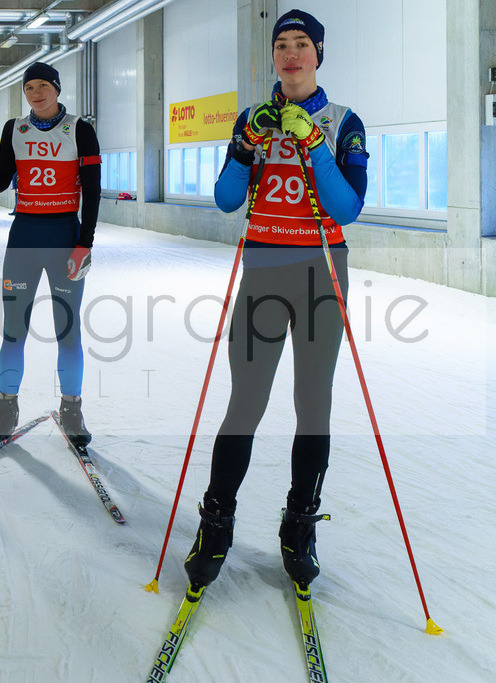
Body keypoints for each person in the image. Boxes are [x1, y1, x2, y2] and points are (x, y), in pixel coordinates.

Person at [183, 10, 368, 590]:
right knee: (246, 403)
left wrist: (312, 143)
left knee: (313, 406)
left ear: (319, 54)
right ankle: (216, 523)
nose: (291, 54)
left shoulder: (343, 122)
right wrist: (245, 146)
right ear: (273, 56)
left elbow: (347, 209)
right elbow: (224, 200)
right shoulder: (251, 117)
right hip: (263, 270)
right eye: (281, 45)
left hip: (320, 273)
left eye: (302, 44)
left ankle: (299, 525)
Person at [0, 62, 101, 448]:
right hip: (23, 239)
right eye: (29, 86)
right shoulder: (15, 128)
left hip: (65, 237)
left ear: (57, 89)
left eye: (43, 86)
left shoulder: (80, 130)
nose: (36, 93)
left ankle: (71, 408)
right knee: (13, 327)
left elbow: (95, 191)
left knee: (67, 328)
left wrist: (85, 242)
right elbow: (0, 181)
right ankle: (6, 407)